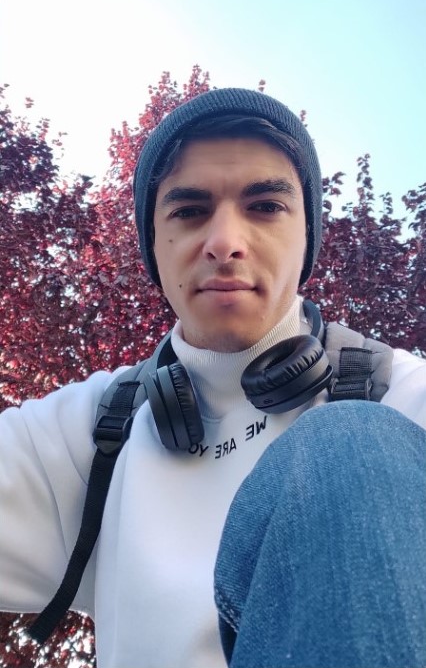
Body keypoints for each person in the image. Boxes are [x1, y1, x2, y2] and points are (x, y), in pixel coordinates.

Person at [1, 88, 425, 668]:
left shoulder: (402, 399)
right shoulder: (88, 436)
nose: (225, 242)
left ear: (307, 237)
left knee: (352, 441)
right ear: (153, 244)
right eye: (189, 211)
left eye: (265, 206)